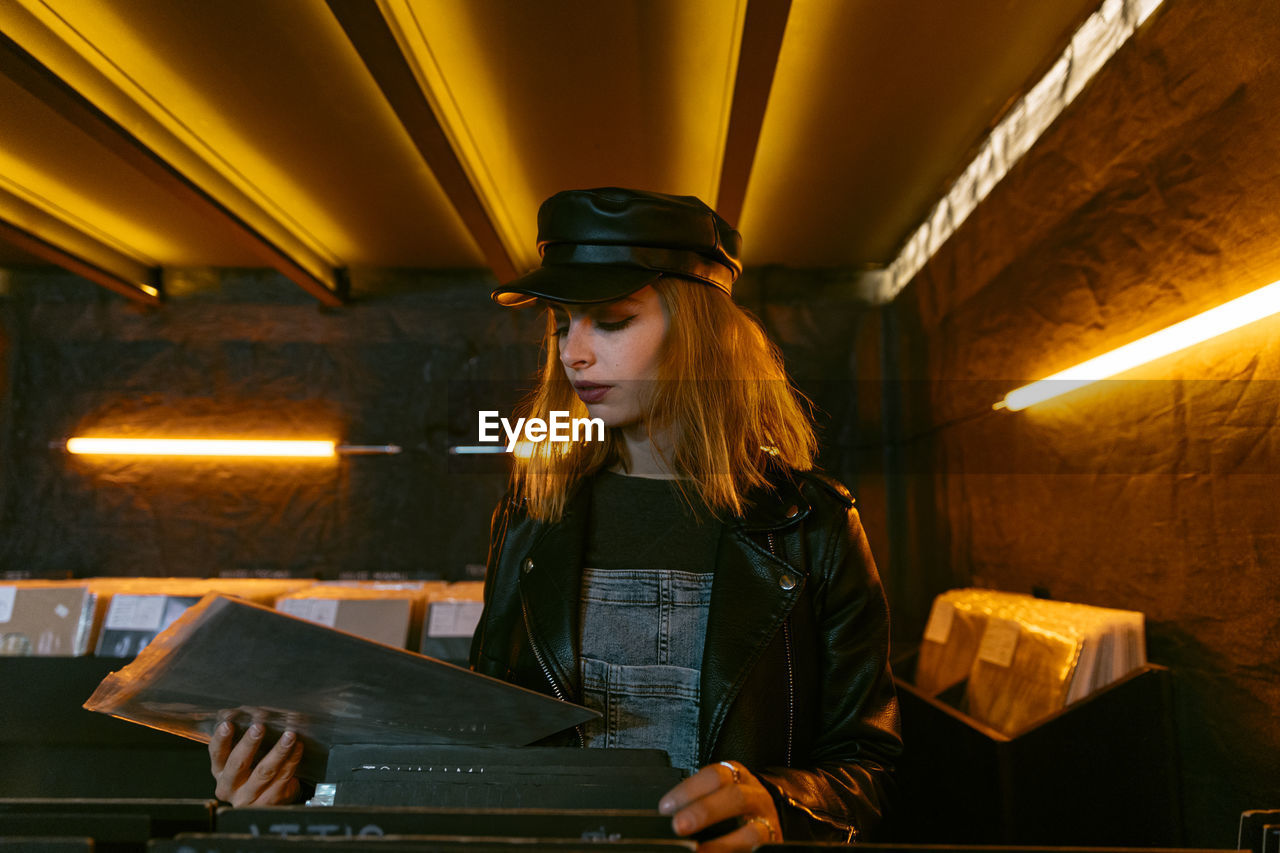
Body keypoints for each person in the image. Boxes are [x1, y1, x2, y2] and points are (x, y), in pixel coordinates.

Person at [208, 187, 902, 849]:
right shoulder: (532, 512)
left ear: (704, 334)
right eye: (564, 322)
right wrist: (304, 789)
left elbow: (868, 765)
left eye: (614, 319)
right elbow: (483, 745)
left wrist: (779, 806)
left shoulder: (813, 524)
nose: (574, 351)